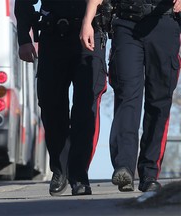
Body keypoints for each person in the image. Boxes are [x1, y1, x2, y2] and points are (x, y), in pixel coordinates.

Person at [81, 0, 181, 192]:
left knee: (159, 102)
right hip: (126, 23)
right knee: (127, 95)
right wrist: (87, 21)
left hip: (164, 22)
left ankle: (149, 173)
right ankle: (124, 167)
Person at [15, 0, 108, 196]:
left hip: (89, 32)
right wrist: (23, 38)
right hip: (53, 35)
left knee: (85, 107)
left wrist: (88, 22)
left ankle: (79, 174)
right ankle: (60, 169)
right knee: (51, 104)